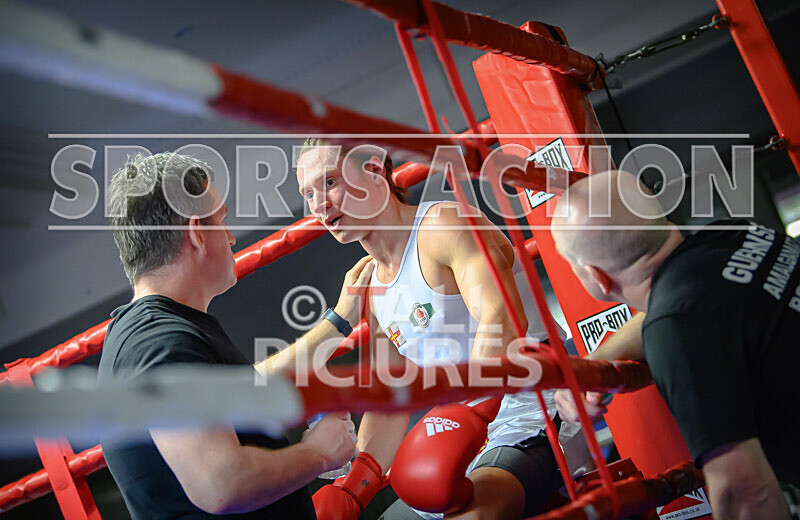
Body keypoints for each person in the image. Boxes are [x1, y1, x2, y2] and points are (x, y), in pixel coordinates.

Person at [273, 140, 589, 520]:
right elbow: (390, 401)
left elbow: (501, 320)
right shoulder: (370, 283)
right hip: (460, 434)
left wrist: (470, 414)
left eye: (329, 182)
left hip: (532, 412)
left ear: (375, 171)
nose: (319, 204)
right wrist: (356, 487)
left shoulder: (443, 225)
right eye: (307, 193)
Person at [97, 152, 374, 519]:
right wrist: (318, 454)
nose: (230, 238)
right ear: (197, 233)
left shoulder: (150, 333)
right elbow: (220, 484)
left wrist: (337, 322)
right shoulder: (159, 344)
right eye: (222, 221)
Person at [551, 169, 799, 520]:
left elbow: (744, 493)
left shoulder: (678, 329)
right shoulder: (734, 234)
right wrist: (600, 360)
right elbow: (690, 305)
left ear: (596, 276)